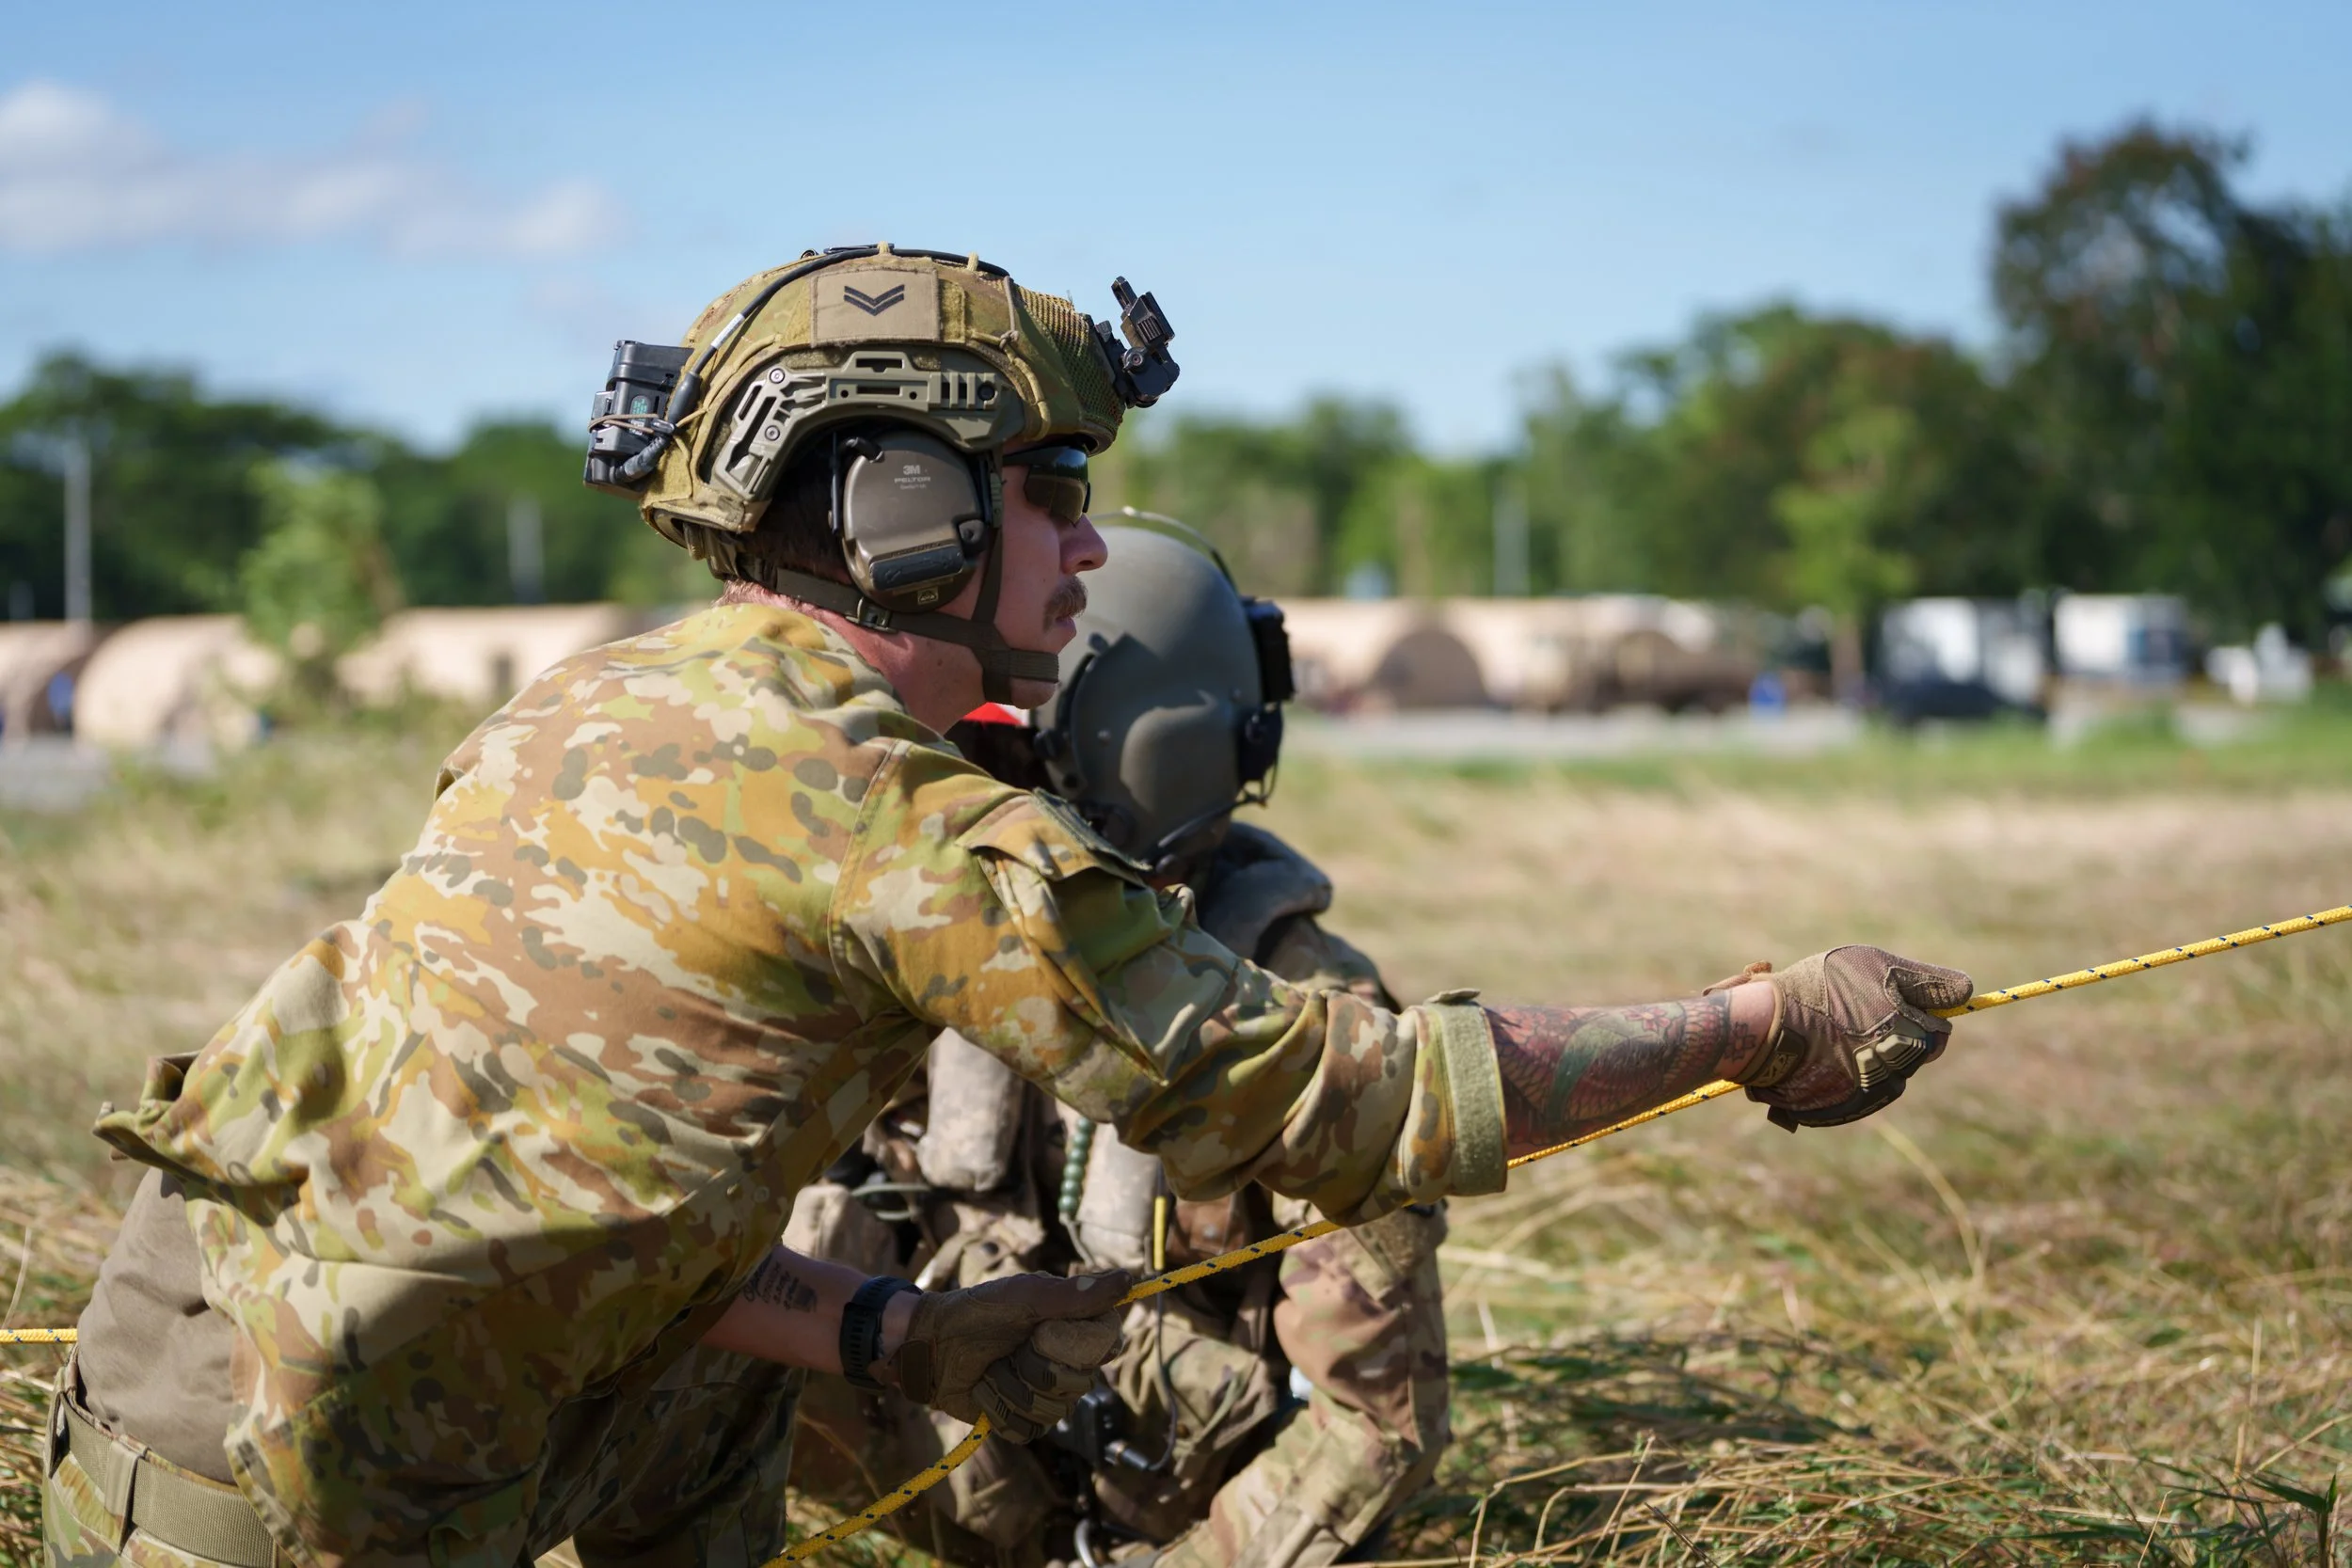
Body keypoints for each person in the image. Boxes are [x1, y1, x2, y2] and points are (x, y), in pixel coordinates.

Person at [45, 245, 1974, 1568]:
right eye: (1051, 482)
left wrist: (899, 1330)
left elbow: (597, 1196)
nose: (1081, 544)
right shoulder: (897, 829)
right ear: (901, 509)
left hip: (184, 1398)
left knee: (709, 1424)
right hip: (298, 1507)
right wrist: (1751, 1023)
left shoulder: (600, 700)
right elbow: (1348, 1102)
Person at [789, 515, 1453, 1568]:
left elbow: (1375, 1428)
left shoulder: (1310, 1009)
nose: (963, 782)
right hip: (956, 1467)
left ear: (1140, 754)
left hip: (1180, 1518)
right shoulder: (923, 938)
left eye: (1003, 747)